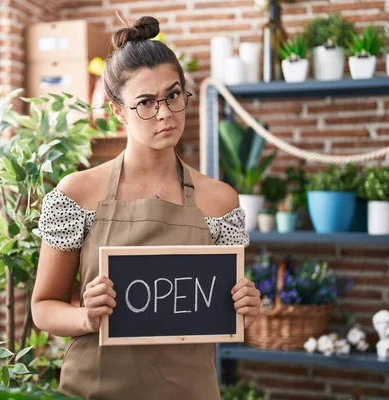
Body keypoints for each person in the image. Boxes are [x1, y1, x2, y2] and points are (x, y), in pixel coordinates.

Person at [31, 15, 261, 400]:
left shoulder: (220, 200)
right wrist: (86, 316)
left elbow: (223, 308)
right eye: (145, 103)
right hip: (94, 389)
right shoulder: (77, 193)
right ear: (117, 110)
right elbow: (43, 307)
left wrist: (245, 305)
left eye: (173, 95)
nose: (164, 114)